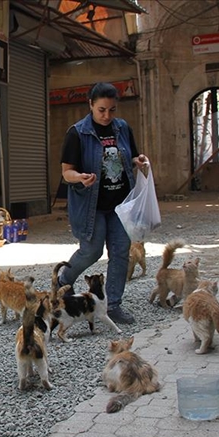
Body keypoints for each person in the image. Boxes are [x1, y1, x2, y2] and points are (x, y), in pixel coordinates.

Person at [56, 82, 148, 325]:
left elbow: (132, 156)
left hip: (120, 205)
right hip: (91, 206)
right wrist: (80, 178)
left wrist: (139, 162)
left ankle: (112, 305)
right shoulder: (77, 133)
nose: (107, 115)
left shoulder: (123, 128)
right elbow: (67, 172)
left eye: (112, 110)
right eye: (101, 110)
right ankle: (64, 279)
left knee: (120, 253)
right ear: (90, 106)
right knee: (92, 250)